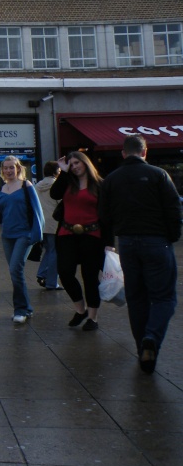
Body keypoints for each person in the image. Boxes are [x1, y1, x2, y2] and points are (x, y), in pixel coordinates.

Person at [99, 135, 182, 374]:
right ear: (145, 152)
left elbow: (104, 216)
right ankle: (151, 338)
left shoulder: (112, 180)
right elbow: (173, 208)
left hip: (127, 243)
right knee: (164, 297)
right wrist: (172, 236)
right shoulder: (158, 175)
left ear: (123, 154)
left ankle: (142, 350)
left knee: (136, 298)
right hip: (157, 241)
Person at [0, 156, 44, 324]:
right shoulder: (2, 190)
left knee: (15, 270)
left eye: (11, 167)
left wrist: (37, 234)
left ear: (18, 169)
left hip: (24, 235)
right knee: (16, 273)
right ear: (2, 170)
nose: (8, 170)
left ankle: (20, 310)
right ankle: (26, 307)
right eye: (5, 168)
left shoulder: (26, 186)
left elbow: (38, 211)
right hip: (7, 237)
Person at [51, 152, 105, 331]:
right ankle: (80, 309)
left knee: (90, 277)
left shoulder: (100, 184)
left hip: (92, 235)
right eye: (71, 164)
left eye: (77, 163)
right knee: (65, 272)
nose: (74, 166)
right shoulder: (68, 181)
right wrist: (64, 172)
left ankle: (92, 317)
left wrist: (110, 243)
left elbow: (108, 217)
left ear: (85, 163)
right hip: (67, 233)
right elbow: (54, 193)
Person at [34, 161, 62, 290]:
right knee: (55, 252)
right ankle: (51, 282)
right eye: (59, 170)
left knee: (49, 250)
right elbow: (61, 203)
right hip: (54, 223)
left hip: (41, 223)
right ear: (55, 172)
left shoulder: (37, 186)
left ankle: (42, 273)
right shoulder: (56, 185)